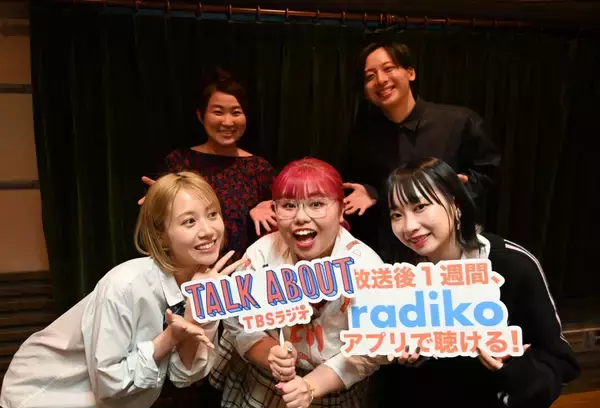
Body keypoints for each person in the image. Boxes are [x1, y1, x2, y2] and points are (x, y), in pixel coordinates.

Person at [0, 171, 245, 408]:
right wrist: (169, 337)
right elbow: (109, 384)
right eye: (189, 221)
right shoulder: (126, 284)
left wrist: (196, 318)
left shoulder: (208, 286)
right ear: (160, 236)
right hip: (45, 392)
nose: (208, 231)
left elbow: (183, 376)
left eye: (212, 214)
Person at [366, 157, 580, 408]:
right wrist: (405, 356)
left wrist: (511, 366)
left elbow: (559, 362)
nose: (409, 226)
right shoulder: (398, 271)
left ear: (455, 204)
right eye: (396, 215)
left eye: (420, 207)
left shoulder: (511, 266)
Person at [211, 158, 387, 408]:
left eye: (317, 204)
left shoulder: (366, 266)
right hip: (265, 381)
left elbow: (369, 349)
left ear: (340, 211)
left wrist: (311, 385)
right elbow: (236, 320)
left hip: (332, 387)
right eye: (289, 205)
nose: (301, 217)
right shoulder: (262, 253)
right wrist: (269, 353)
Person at [342, 40, 501, 252]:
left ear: (410, 73)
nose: (381, 80)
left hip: (452, 248)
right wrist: (371, 192)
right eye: (370, 76)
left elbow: (489, 171)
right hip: (390, 251)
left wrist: (459, 187)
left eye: (388, 69)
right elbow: (367, 184)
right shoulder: (363, 135)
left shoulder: (458, 122)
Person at [139, 69, 277, 263]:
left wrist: (271, 206)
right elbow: (160, 226)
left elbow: (285, 222)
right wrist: (158, 202)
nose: (227, 121)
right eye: (218, 112)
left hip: (247, 273)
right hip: (191, 272)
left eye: (236, 112)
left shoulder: (260, 169)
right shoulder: (179, 162)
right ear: (201, 115)